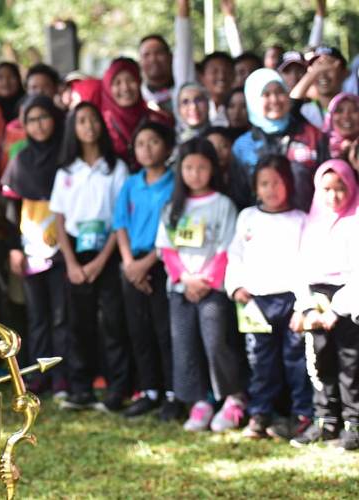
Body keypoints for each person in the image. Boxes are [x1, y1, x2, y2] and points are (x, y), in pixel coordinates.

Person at [156, 138, 245, 433]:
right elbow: (166, 249)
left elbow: (226, 249)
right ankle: (200, 400)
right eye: (189, 167)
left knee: (216, 342)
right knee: (185, 344)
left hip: (213, 289)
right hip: (181, 289)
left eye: (202, 167)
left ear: (213, 169)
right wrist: (185, 279)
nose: (195, 173)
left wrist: (205, 281)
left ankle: (233, 398)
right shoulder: (172, 207)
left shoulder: (223, 205)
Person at [225, 155, 313, 440]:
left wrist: (304, 304)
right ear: (255, 187)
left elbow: (306, 262)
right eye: (264, 183)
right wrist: (236, 285)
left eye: (277, 182)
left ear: (288, 183)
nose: (271, 189)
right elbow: (235, 254)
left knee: (295, 360)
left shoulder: (300, 220)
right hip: (256, 301)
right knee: (261, 361)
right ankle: (261, 412)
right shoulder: (247, 217)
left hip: (291, 301)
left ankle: (301, 414)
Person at [50, 102, 129, 412]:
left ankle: (116, 387)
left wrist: (101, 261)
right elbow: (58, 218)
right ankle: (80, 387)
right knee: (78, 323)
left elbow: (120, 217)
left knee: (112, 321)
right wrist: (71, 262)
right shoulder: (66, 170)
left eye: (94, 119)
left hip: (109, 250)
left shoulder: (116, 167)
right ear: (74, 128)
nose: (89, 126)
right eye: (82, 121)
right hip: (74, 251)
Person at [289, 159, 359, 451]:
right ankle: (325, 422)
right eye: (326, 189)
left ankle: (353, 424)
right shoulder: (311, 221)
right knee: (319, 361)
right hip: (316, 300)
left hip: (348, 303)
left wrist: (337, 309)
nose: (333, 196)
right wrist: (305, 306)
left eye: (340, 188)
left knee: (350, 365)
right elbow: (299, 266)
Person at [1, 94, 68, 397]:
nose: (39, 125)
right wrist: (14, 247)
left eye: (44, 117)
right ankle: (41, 373)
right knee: (37, 315)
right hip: (30, 249)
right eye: (31, 120)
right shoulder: (21, 159)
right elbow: (9, 208)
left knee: (63, 313)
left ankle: (65, 375)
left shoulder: (67, 155)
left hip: (63, 248)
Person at [114, 121, 179, 420]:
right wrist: (129, 264)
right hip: (132, 265)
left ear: (166, 147)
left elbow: (176, 228)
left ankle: (171, 393)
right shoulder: (130, 184)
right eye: (140, 143)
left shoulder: (176, 182)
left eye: (154, 142)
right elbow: (121, 226)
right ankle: (149, 390)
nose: (147, 148)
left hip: (162, 263)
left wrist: (145, 264)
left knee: (165, 330)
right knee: (138, 331)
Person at [233, 68, 324, 211]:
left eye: (280, 92)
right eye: (266, 94)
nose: (274, 100)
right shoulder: (243, 145)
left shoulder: (312, 134)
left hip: (307, 224)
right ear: (252, 99)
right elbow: (239, 197)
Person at [99, 57, 171, 168]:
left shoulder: (159, 120)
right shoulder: (100, 124)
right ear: (108, 88)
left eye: (130, 80)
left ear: (139, 82)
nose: (125, 88)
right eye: (117, 83)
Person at [290, 47, 349, 130]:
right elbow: (292, 104)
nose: (323, 76)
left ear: (344, 72)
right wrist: (313, 73)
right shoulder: (306, 111)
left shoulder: (354, 110)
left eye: (328, 68)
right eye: (318, 69)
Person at [204, 127, 254, 210]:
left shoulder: (245, 175)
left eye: (223, 146)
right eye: (212, 148)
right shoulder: (203, 180)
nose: (217, 152)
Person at [322, 93, 359, 161]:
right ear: (330, 116)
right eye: (339, 111)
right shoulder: (320, 145)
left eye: (354, 110)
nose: (346, 116)